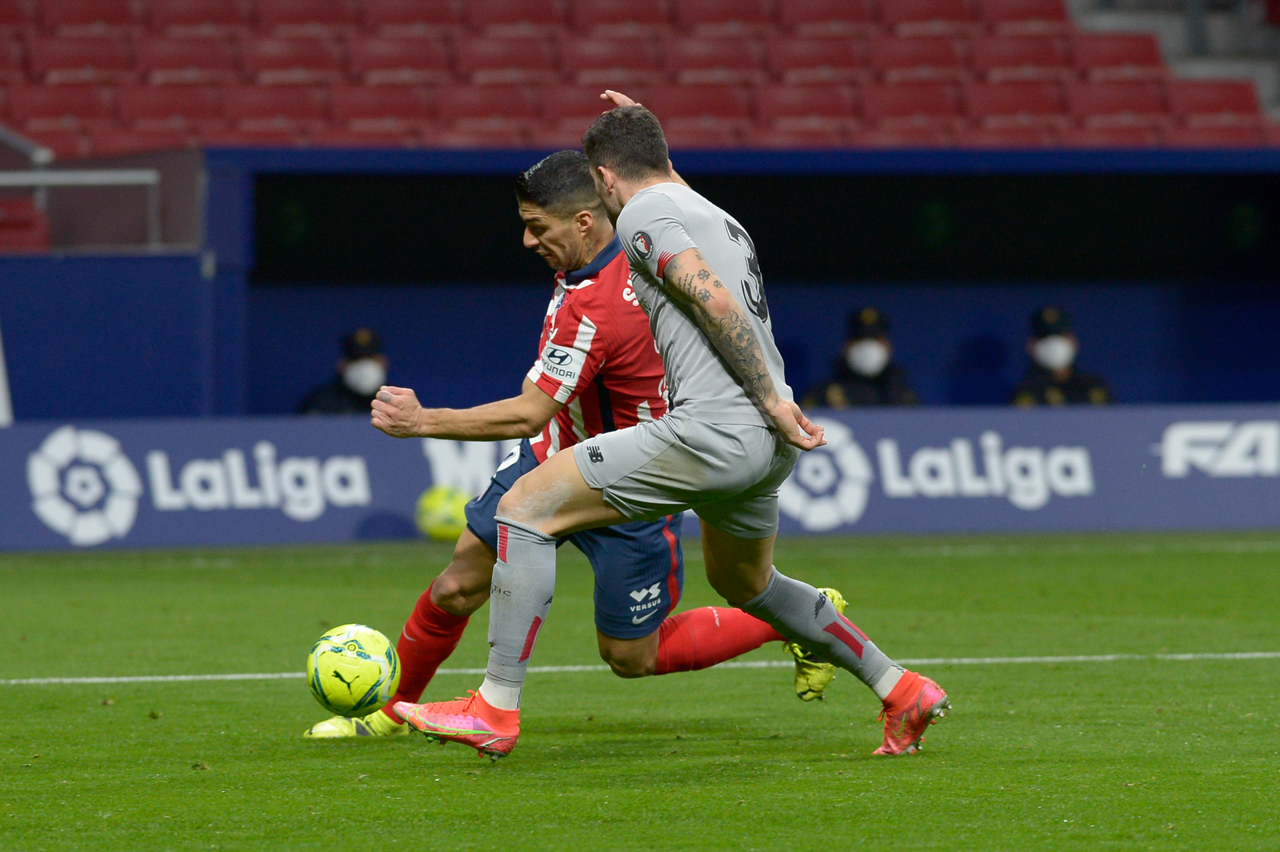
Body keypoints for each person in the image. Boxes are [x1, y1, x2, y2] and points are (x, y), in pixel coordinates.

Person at [388, 105, 950, 760]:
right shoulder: (714, 214)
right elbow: (660, 176)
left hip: (719, 428)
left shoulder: (645, 217)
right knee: (750, 587)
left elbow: (710, 297)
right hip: (767, 446)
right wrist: (636, 125)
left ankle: (494, 709)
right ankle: (900, 686)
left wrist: (767, 399)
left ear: (603, 180)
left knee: (526, 511)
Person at [305, 151, 839, 739]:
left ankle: (796, 622)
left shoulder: (598, 301)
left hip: (633, 479)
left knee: (629, 657)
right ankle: (389, 715)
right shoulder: (631, 242)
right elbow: (692, 207)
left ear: (583, 221)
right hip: (557, 452)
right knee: (456, 585)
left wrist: (422, 421)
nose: (528, 241)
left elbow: (529, 411)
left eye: (538, 226)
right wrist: (649, 145)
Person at [803, 307, 918, 408]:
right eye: (861, 339)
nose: (868, 347)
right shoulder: (822, 395)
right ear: (846, 347)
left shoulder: (904, 397)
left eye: (875, 339)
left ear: (888, 347)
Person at [1010, 306, 1112, 407]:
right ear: (1031, 346)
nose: (1053, 344)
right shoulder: (1026, 392)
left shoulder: (1093, 386)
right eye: (1046, 338)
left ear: (1073, 341)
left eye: (1059, 336)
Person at [297, 327, 389, 415]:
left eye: (370, 358)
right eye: (356, 359)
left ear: (383, 362)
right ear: (342, 364)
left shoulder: (396, 398)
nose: (364, 365)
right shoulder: (321, 401)